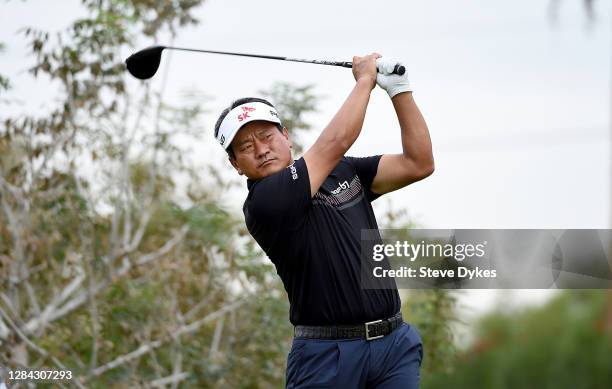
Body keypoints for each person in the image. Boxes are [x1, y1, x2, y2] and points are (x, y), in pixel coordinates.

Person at [214, 53, 434, 389]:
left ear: (285, 135)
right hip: (327, 356)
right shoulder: (265, 201)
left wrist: (399, 90)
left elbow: (418, 163)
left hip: (393, 345)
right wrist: (365, 82)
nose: (261, 149)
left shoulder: (342, 170)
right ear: (236, 164)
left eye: (267, 136)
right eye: (246, 145)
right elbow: (335, 142)